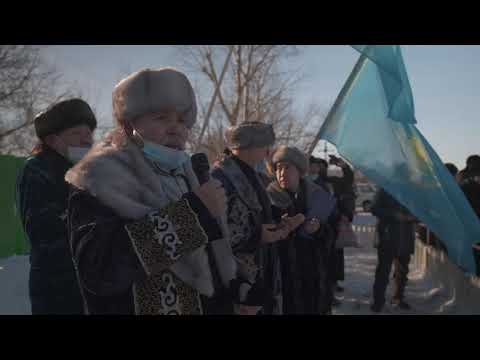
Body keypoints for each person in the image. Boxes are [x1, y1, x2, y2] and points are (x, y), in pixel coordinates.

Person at [66, 68, 236, 315]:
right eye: (161, 118)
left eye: (181, 119)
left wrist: (236, 287)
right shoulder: (98, 178)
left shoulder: (187, 174)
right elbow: (100, 272)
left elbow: (206, 264)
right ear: (128, 125)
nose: (176, 128)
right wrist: (191, 215)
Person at [211, 122, 304, 315]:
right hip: (235, 280)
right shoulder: (220, 178)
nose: (267, 151)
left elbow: (256, 217)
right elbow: (213, 231)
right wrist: (255, 235)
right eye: (264, 146)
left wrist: (279, 225)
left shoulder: (254, 175)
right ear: (250, 146)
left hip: (260, 270)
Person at [15, 98, 97, 314]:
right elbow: (42, 230)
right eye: (77, 133)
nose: (86, 139)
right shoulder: (37, 169)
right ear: (52, 140)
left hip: (92, 284)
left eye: (89, 133)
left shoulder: (91, 172)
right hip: (58, 286)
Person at [267, 146, 337, 314]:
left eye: (287, 167)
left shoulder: (317, 196)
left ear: (299, 171)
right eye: (278, 168)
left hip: (312, 276)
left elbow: (332, 235)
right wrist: (279, 228)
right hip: (283, 278)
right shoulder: (268, 198)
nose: (282, 172)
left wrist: (318, 229)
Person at [370, 188, 416, 313]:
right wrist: (393, 215)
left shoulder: (413, 191)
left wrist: (413, 216)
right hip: (387, 236)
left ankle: (399, 297)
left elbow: (421, 211)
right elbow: (374, 208)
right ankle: (378, 301)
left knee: (402, 270)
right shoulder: (384, 189)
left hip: (406, 237)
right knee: (383, 271)